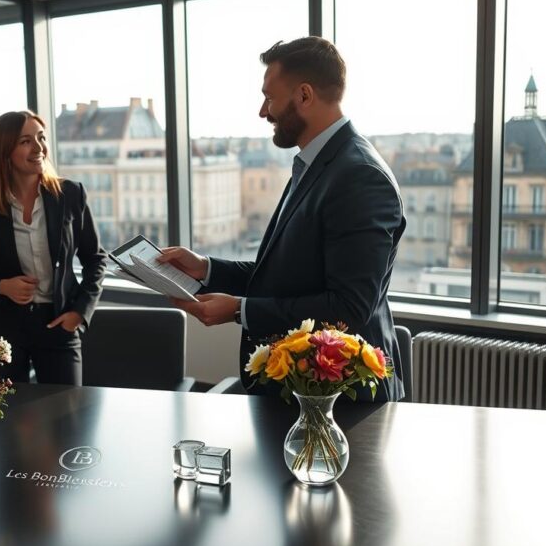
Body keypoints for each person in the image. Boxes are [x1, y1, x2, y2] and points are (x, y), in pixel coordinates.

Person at [159, 37, 406, 401]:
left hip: (343, 400)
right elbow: (285, 274)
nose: (263, 111)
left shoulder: (359, 176)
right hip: (304, 392)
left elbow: (348, 309)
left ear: (304, 96)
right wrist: (206, 268)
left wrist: (239, 310)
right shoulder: (317, 164)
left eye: (270, 98)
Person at [0, 111, 107, 386]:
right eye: (26, 141)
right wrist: (2, 286)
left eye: (41, 138)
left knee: (65, 416)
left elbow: (95, 260)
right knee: (5, 420)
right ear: (4, 151)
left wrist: (79, 313)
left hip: (59, 324)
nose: (39, 148)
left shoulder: (70, 195)